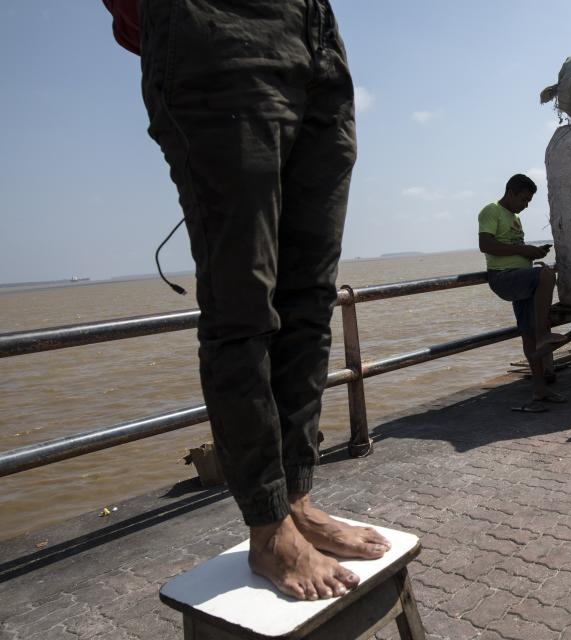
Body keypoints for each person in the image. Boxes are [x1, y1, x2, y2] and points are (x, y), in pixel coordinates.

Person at [102, 0, 390, 601]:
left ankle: (296, 499)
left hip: (315, 30)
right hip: (213, 23)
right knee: (245, 303)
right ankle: (267, 527)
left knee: (310, 299)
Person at [479, 174, 566, 412]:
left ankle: (539, 390)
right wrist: (523, 249)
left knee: (527, 336)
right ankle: (543, 333)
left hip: (522, 279)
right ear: (512, 192)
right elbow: (485, 245)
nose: (526, 205)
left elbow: (513, 248)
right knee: (546, 275)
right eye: (524, 199)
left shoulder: (515, 216)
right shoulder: (491, 211)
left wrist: (532, 252)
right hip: (504, 277)